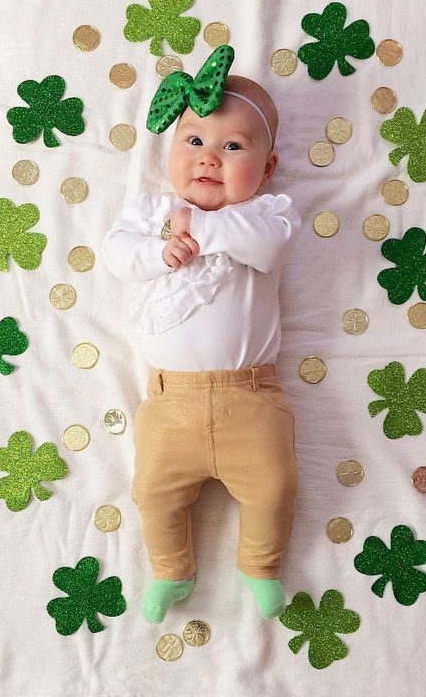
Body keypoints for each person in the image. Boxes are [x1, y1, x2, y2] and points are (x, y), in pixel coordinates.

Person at [102, 46, 302, 623]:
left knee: (275, 486)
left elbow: (271, 247)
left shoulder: (267, 216)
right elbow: (116, 255)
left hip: (253, 399)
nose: (209, 157)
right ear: (170, 150)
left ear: (266, 168)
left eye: (232, 146)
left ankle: (259, 567)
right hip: (169, 403)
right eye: (193, 141)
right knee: (152, 493)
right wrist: (161, 249)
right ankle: (171, 571)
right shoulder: (149, 213)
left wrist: (205, 226)